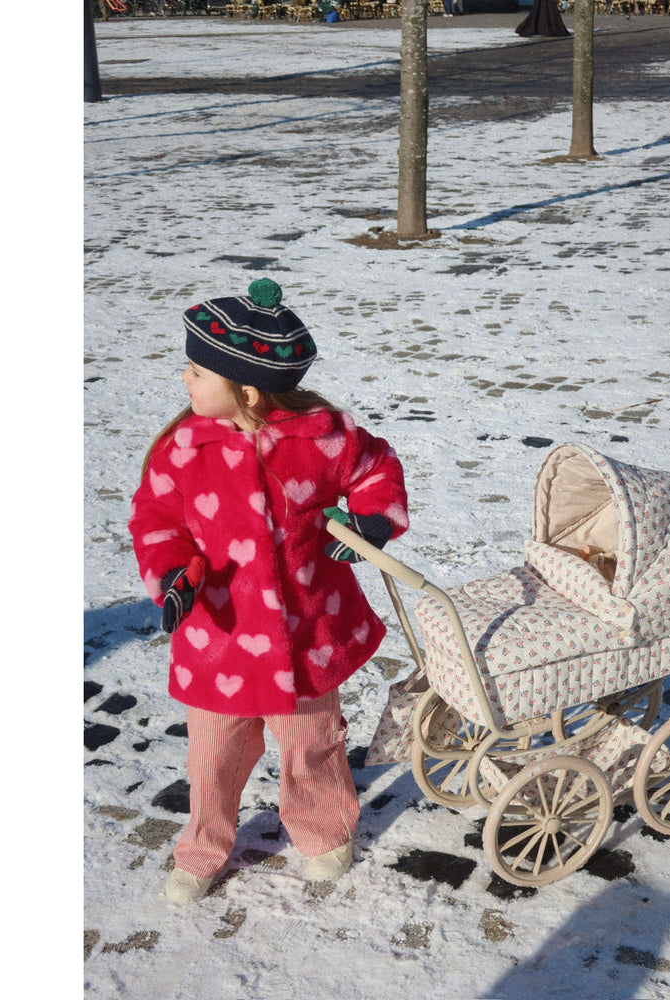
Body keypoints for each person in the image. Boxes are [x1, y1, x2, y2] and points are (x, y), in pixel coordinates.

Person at [129, 278, 409, 903]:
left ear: (247, 391)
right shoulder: (183, 450)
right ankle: (202, 848)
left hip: (306, 632)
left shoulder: (321, 438)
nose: (184, 379)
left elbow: (376, 469)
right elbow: (156, 519)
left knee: (313, 745)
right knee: (213, 756)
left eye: (198, 371)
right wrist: (172, 573)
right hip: (220, 636)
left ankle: (323, 830)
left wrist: (370, 520)